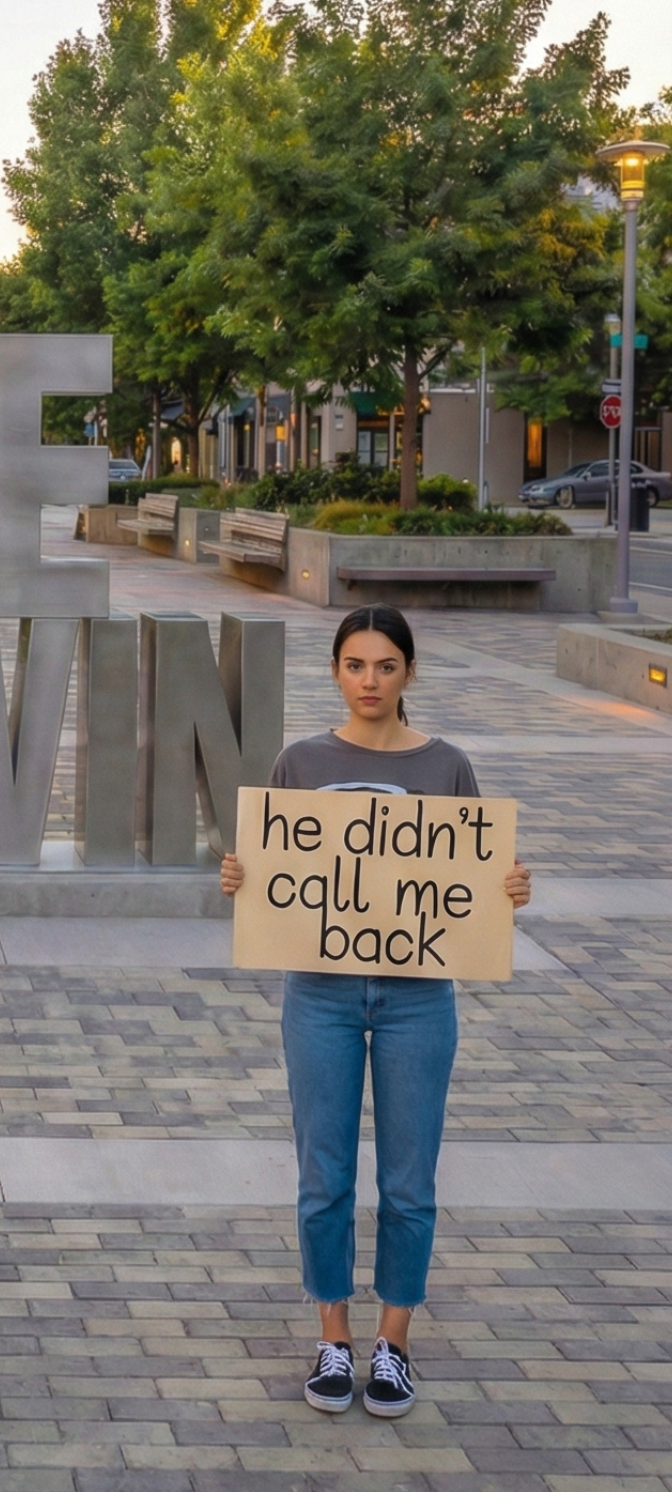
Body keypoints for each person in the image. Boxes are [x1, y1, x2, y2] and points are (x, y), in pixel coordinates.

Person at [220, 606, 531, 1419]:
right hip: (318, 993)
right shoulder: (301, 760)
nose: (370, 681)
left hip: (418, 998)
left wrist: (507, 890)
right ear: (335, 672)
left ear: (408, 673)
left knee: (408, 1181)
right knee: (323, 1176)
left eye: (386, 666)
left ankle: (394, 1343)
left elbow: (465, 878)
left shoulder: (447, 765)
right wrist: (240, 879)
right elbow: (275, 868)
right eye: (355, 665)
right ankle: (332, 1334)